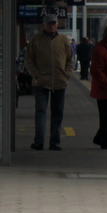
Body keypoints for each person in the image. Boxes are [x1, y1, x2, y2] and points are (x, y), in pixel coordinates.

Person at [24, 13, 75, 151]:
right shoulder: (36, 40)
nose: (51, 26)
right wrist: (36, 75)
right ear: (44, 25)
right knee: (41, 112)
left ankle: (55, 142)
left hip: (60, 82)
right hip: (41, 82)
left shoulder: (64, 40)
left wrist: (67, 74)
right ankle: (39, 141)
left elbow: (71, 59)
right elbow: (28, 60)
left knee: (57, 113)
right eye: (49, 24)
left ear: (57, 24)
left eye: (53, 23)